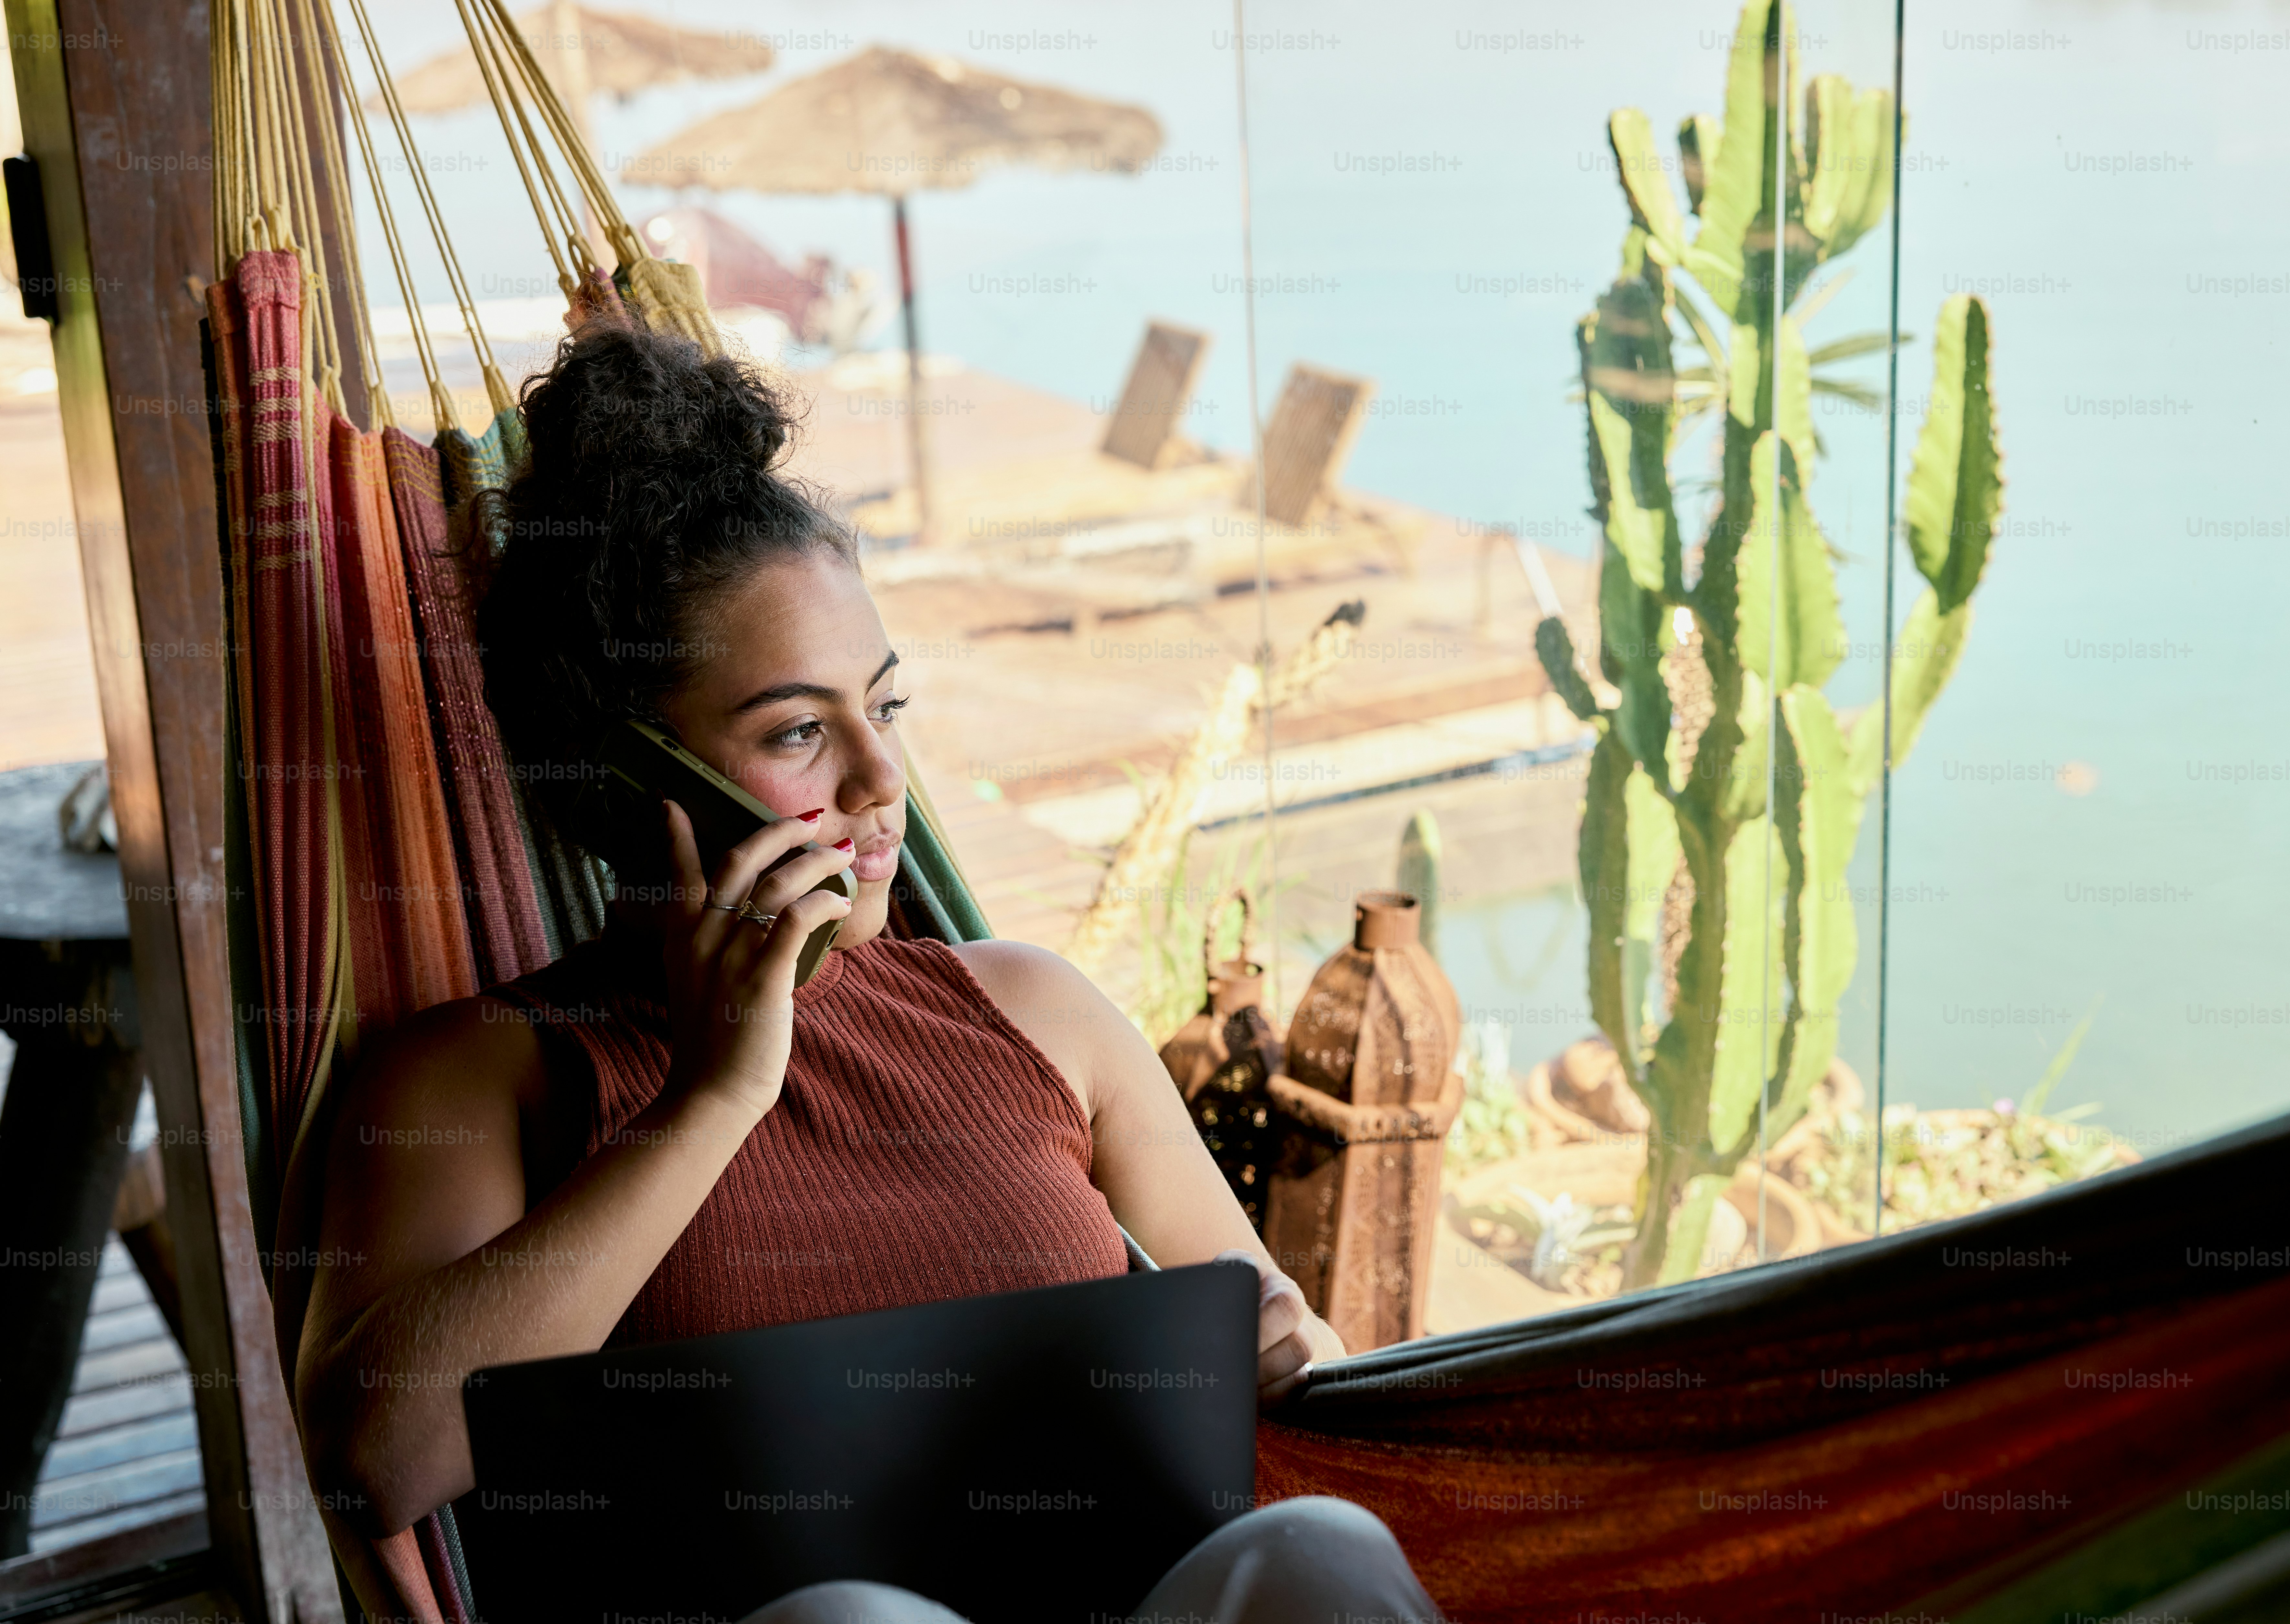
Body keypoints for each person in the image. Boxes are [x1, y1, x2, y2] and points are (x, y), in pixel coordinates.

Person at [291, 318, 1444, 1624]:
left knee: (1321, 1553)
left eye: (883, 709)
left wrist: (1288, 1353)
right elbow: (375, 1464)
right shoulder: (484, 1073)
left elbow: (1293, 1350)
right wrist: (713, 1097)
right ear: (633, 774)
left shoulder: (1029, 1010)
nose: (882, 782)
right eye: (798, 729)